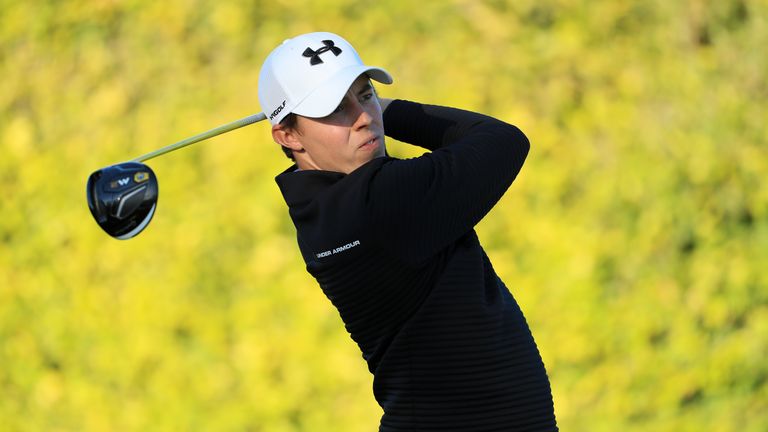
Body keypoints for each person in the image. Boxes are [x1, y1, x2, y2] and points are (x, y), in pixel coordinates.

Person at [259, 32, 558, 431]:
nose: (364, 117)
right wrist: (391, 110)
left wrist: (352, 109)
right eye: (334, 109)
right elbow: (502, 140)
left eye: (365, 95)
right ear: (287, 135)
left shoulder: (320, 210)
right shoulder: (379, 200)